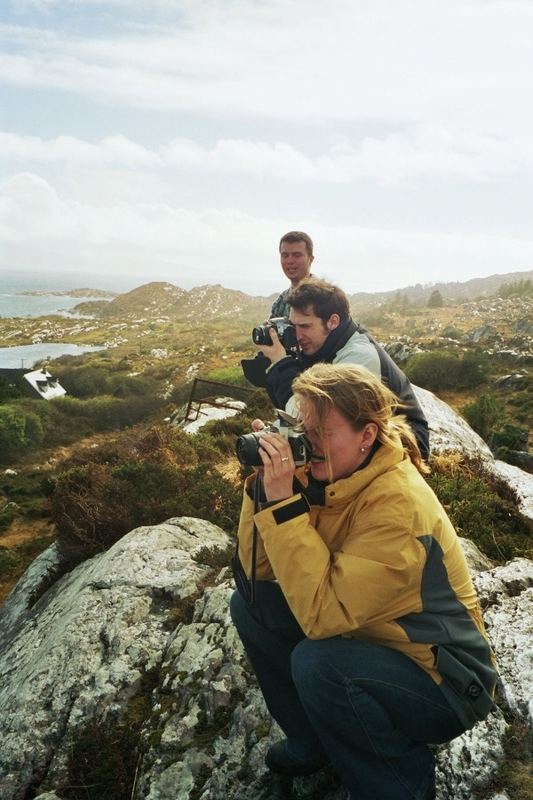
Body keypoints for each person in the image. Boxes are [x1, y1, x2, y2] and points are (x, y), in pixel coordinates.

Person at [230, 363, 497, 800]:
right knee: (250, 606)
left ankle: (400, 784)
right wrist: (263, 490)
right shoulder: (330, 472)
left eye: (322, 432)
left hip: (441, 680)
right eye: (302, 428)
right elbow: (258, 574)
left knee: (319, 665)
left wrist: (283, 506)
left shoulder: (399, 506)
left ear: (367, 436)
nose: (308, 443)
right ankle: (312, 742)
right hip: (370, 635)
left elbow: (323, 616)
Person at [257, 276, 430, 460]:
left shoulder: (359, 357)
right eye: (293, 326)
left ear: (333, 321)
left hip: (404, 448)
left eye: (305, 326)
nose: (297, 335)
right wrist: (274, 436)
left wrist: (281, 365)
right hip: (360, 437)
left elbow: (313, 421)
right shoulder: (324, 346)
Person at [270, 231, 315, 319]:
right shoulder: (280, 302)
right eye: (285, 256)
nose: (290, 261)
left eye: (297, 255)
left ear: (311, 259)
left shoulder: (326, 298)